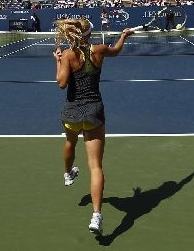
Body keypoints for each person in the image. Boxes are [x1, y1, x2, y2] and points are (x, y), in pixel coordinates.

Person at [53, 19, 135, 236]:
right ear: (89, 34)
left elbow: (61, 83)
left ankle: (68, 174)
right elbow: (116, 51)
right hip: (94, 111)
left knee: (70, 142)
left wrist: (58, 61)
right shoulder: (99, 50)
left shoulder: (68, 55)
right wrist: (124, 36)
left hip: (72, 111)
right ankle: (96, 215)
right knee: (95, 166)